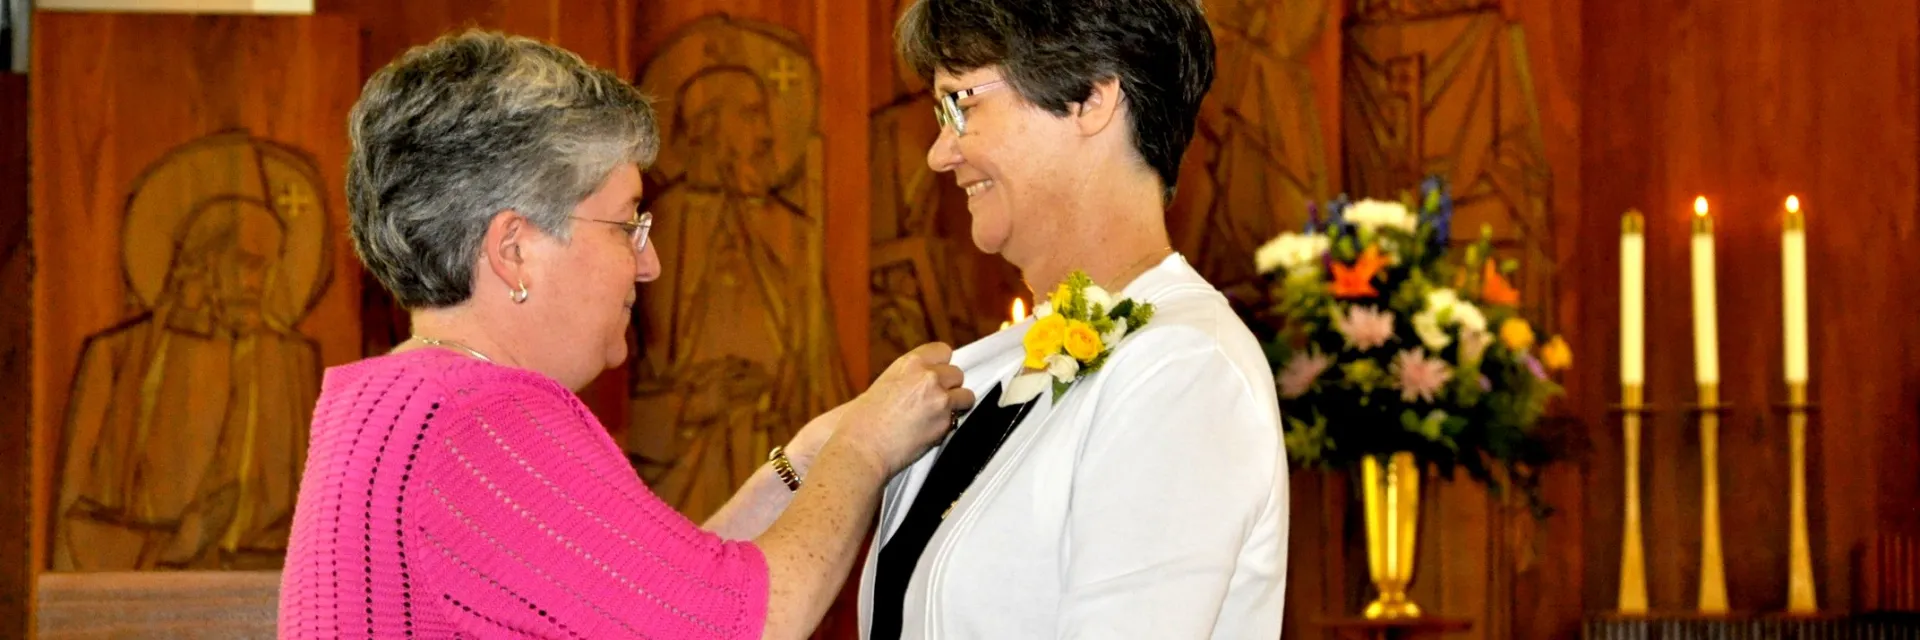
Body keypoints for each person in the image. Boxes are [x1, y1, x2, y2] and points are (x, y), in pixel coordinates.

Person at [278, 30, 972, 639]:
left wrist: (799, 463)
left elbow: (654, 602)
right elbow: (750, 625)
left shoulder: (397, 398)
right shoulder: (485, 420)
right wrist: (866, 448)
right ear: (513, 249)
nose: (649, 264)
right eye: (626, 224)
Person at [859, 1, 1289, 638]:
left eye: (961, 104)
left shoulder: (1187, 372)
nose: (938, 155)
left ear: (1091, 97)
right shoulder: (1001, 360)